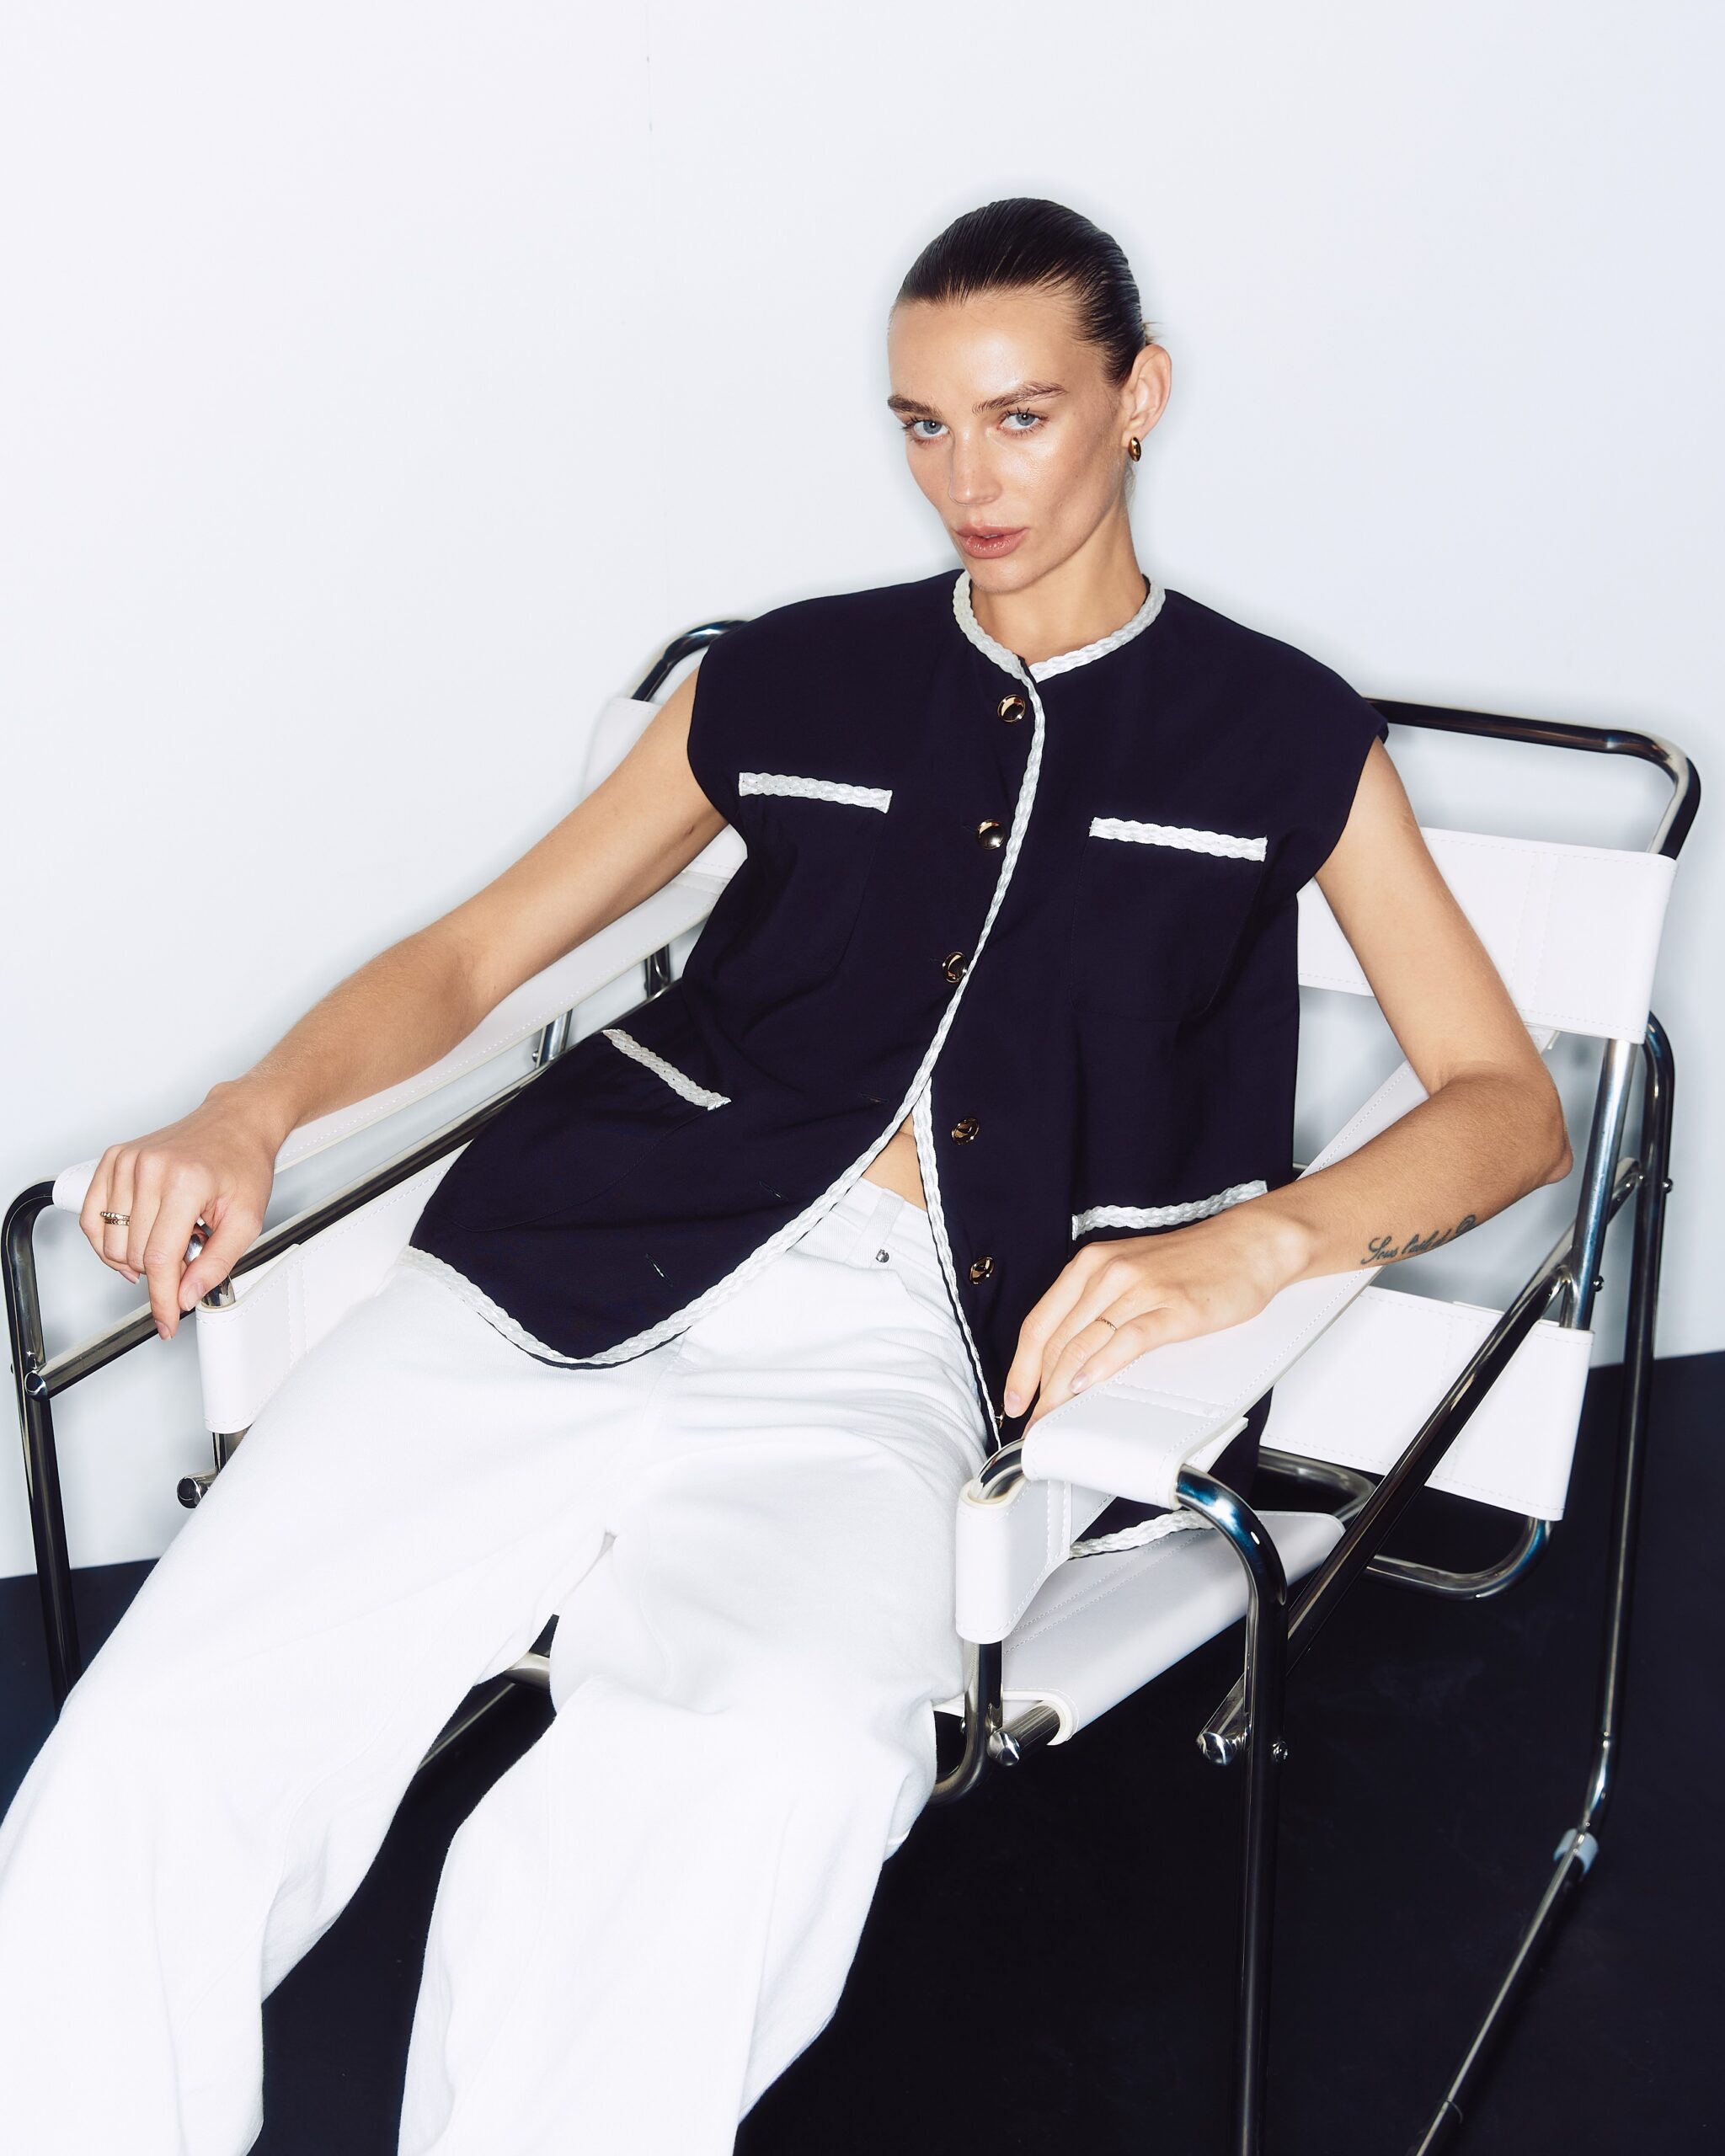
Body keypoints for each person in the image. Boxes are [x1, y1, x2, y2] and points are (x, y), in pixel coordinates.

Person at [0, 196, 1572, 2155]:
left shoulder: (1277, 729)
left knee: (757, 1764)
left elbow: (1505, 1101)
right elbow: (479, 954)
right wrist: (252, 1109)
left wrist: (1259, 1243)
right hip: (556, 1267)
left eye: (1018, 416)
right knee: (161, 1743)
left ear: (1138, 396)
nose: (966, 480)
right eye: (922, 424)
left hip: (907, 1354)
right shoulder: (789, 674)